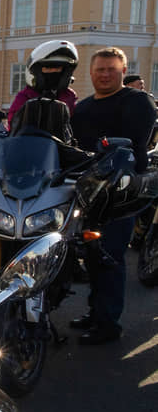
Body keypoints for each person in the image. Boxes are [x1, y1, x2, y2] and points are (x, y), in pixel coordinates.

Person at [69, 47, 157, 345]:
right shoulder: (81, 108)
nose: (105, 75)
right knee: (93, 255)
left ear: (123, 71)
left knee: (109, 255)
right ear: (90, 73)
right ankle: (96, 313)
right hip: (90, 191)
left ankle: (108, 324)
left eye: (111, 69)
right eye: (99, 70)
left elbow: (135, 141)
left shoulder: (137, 101)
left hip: (121, 193)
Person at [8, 40, 78, 127]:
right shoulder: (25, 96)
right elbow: (13, 124)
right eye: (48, 68)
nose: (53, 71)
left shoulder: (69, 96)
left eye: (58, 68)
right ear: (35, 71)